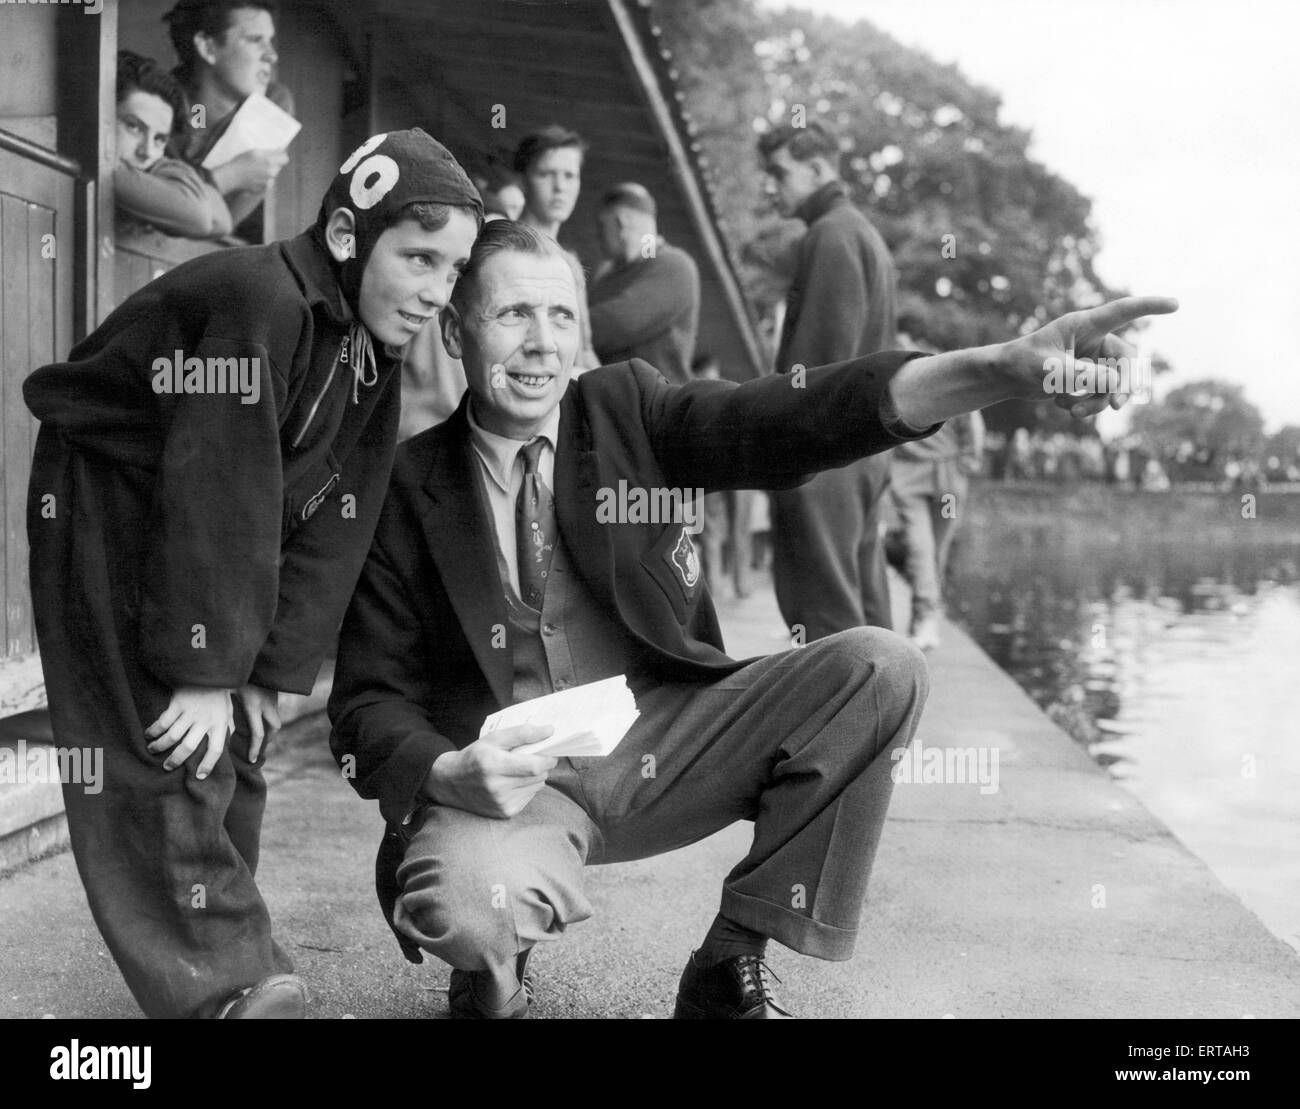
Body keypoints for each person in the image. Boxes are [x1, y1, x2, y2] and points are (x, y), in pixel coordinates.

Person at [328, 218, 1176, 1018]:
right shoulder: (405, 485)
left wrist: (1001, 368)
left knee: (880, 668)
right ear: (455, 332)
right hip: (511, 787)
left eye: (560, 315)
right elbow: (367, 703)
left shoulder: (628, 410)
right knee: (474, 915)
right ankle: (493, 962)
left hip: (663, 743)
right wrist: (445, 777)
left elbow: (795, 417)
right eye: (512, 313)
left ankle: (729, 956)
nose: (542, 342)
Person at [24, 128, 482, 1019]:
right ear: (348, 237)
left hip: (210, 524)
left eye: (455, 269)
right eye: (420, 257)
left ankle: (239, 955)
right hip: (112, 498)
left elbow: (338, 516)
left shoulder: (373, 342)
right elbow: (218, 488)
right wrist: (204, 666)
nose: (437, 292)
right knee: (161, 740)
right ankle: (228, 988)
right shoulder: (262, 299)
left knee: (236, 744)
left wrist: (268, 670)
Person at [759, 120, 898, 641]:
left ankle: (850, 722)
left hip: (825, 453)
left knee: (825, 622)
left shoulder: (831, 233)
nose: (769, 186)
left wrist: (775, 445)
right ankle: (891, 722)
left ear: (818, 169)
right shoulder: (861, 232)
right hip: (863, 450)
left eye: (779, 172)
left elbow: (814, 370)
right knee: (867, 613)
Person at [163, 0, 294, 241]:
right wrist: (231, 176)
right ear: (208, 48)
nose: (271, 55)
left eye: (270, 40)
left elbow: (222, 223)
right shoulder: (164, 105)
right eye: (255, 40)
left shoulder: (273, 102)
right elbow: (177, 216)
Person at [888, 410, 985, 650]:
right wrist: (970, 458)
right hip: (947, 474)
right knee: (932, 550)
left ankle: (924, 618)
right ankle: (926, 617)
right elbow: (973, 420)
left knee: (922, 549)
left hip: (916, 472)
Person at [114, 50, 233, 240]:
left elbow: (218, 221)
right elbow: (199, 216)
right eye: (134, 127)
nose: (147, 151)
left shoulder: (151, 164)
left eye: (159, 139)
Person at [588, 182, 700, 385]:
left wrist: (565, 324)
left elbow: (620, 322)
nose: (598, 236)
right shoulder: (608, 274)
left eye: (601, 226)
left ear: (621, 223)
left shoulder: (673, 264)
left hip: (659, 409)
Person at [516, 125, 598, 370]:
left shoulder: (569, 261)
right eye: (546, 174)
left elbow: (584, 351)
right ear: (522, 181)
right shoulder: (507, 252)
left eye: (570, 176)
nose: (560, 186)